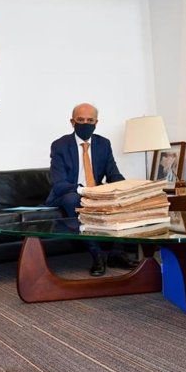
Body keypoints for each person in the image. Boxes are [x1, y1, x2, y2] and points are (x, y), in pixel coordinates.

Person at [46, 103, 137, 276]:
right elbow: (59, 184)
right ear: (72, 122)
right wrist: (84, 190)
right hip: (68, 193)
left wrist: (125, 189)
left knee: (121, 196)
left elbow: (113, 174)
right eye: (80, 120)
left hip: (96, 193)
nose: (85, 124)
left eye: (90, 120)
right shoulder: (60, 145)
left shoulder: (103, 144)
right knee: (73, 199)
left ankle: (117, 253)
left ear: (96, 123)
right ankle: (97, 256)